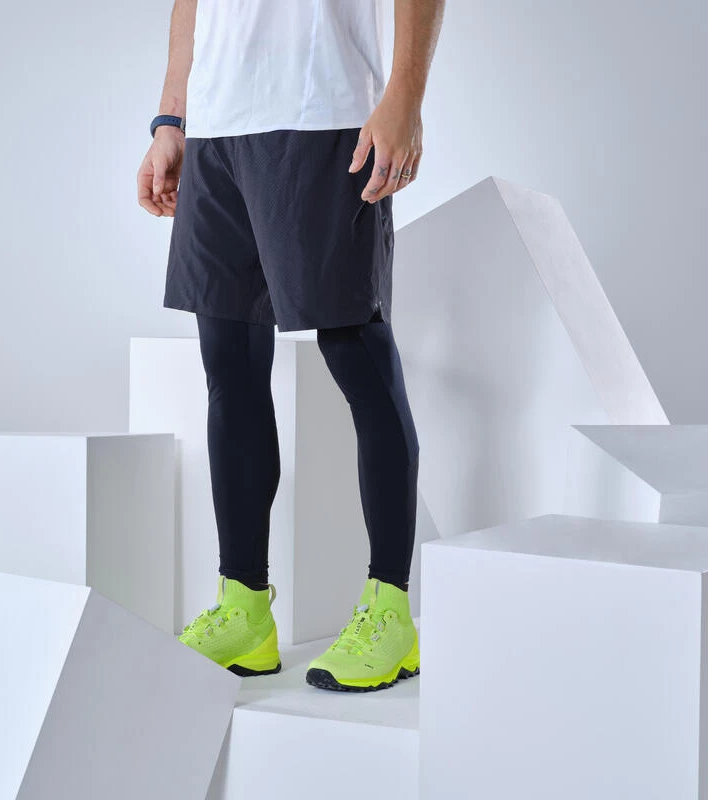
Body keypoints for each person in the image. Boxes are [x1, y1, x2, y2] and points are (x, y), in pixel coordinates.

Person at [137, 0, 445, 692]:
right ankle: (244, 609)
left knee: (356, 353)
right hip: (217, 126)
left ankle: (391, 612)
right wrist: (171, 118)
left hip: (324, 109)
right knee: (229, 368)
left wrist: (405, 97)